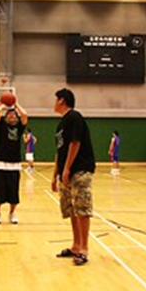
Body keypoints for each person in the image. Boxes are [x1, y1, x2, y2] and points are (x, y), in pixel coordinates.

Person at [51, 87, 96, 266]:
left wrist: (68, 169)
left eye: (55, 99)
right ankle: (76, 245)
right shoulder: (61, 124)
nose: (54, 103)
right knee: (71, 210)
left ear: (61, 100)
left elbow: (75, 143)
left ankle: (84, 248)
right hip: (66, 173)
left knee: (82, 209)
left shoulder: (74, 117)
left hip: (79, 170)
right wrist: (55, 175)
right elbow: (59, 152)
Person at [0, 101, 28, 224]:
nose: (12, 116)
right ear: (6, 118)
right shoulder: (2, 126)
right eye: (9, 115)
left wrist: (16, 104)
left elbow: (25, 115)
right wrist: (5, 105)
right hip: (0, 163)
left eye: (14, 115)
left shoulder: (19, 128)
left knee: (13, 192)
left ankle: (12, 213)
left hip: (14, 164)